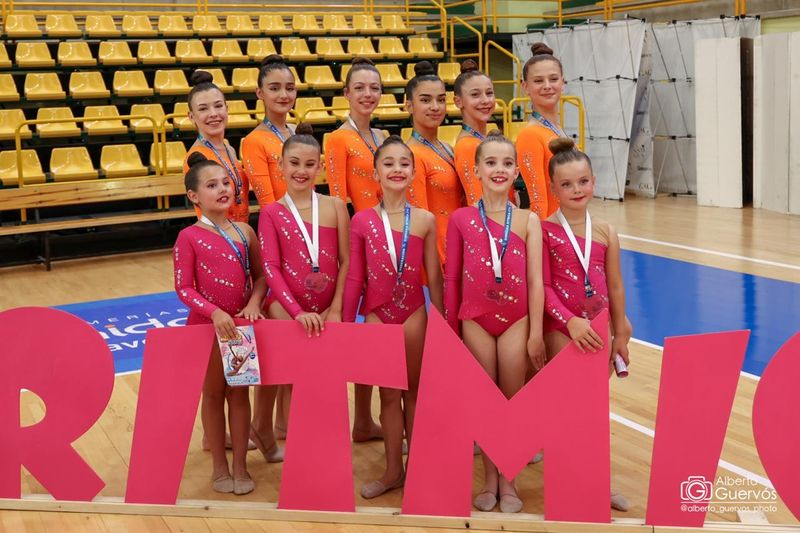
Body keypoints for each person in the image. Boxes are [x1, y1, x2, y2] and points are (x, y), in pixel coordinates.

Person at [444, 132, 545, 513]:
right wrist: (452, 330)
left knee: (511, 399)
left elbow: (536, 281)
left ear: (516, 171)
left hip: (517, 320)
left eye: (506, 163)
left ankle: (510, 480)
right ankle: (489, 479)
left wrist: (536, 332)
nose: (498, 170)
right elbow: (452, 278)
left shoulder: (528, 220)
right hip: (475, 319)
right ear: (476, 170)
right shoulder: (461, 219)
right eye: (491, 163)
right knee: (484, 400)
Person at [342, 136, 443, 499]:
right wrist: (345, 327)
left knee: (414, 393)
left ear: (414, 173)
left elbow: (435, 277)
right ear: (375, 173)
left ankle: (418, 467)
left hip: (414, 313)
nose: (397, 169)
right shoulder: (361, 221)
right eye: (388, 163)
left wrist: (444, 324)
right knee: (387, 395)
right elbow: (355, 278)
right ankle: (392, 471)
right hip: (376, 316)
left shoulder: (425, 220)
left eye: (404, 163)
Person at [540, 137, 632, 512]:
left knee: (593, 410)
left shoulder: (606, 230)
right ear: (553, 189)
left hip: (599, 329)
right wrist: (569, 322)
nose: (576, 190)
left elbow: (615, 285)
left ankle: (597, 481)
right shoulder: (544, 230)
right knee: (565, 410)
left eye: (582, 182)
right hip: (562, 330)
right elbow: (544, 288)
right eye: (566, 184)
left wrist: (620, 330)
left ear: (593, 181)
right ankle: (565, 481)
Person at [173, 153, 267, 495]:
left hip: (239, 325)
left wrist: (254, 303)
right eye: (212, 185)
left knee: (239, 393)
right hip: (206, 327)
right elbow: (183, 287)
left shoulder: (245, 231)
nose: (223, 189)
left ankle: (241, 465)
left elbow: (261, 277)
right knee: (213, 395)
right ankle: (219, 467)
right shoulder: (188, 236)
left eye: (226, 183)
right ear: (194, 196)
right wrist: (213, 312)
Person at [252, 123, 350, 448]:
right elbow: (271, 268)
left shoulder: (335, 206)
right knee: (291, 369)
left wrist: (335, 308)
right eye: (294, 163)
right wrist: (295, 312)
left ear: (320, 167)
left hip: (327, 306)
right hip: (286, 306)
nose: (301, 171)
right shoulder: (272, 213)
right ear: (280, 165)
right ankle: (281, 432)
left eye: (309, 164)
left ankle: (303, 430)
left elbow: (347, 261)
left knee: (323, 373)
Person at [405, 61, 464, 265]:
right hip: (438, 259)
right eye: (425, 100)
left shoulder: (447, 147)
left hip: (460, 247)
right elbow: (420, 223)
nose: (435, 107)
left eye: (441, 99)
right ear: (409, 105)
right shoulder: (411, 155)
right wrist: (437, 268)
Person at [183, 70, 249, 223]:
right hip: (219, 233)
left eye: (218, 106)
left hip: (242, 230)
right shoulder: (197, 157)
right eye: (203, 109)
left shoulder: (229, 149)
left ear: (227, 109)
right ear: (191, 117)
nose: (213, 114)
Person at [326, 57, 386, 213]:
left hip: (392, 221)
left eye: (374, 88)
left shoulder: (382, 136)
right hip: (363, 224)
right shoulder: (338, 138)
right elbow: (337, 200)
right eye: (359, 88)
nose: (368, 94)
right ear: (347, 93)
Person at [515, 42, 566, 219]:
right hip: (552, 228)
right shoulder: (530, 135)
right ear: (525, 87)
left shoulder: (557, 130)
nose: (547, 86)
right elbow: (538, 201)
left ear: (563, 83)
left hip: (570, 225)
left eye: (553, 79)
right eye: (538, 81)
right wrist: (543, 234)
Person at [453, 59, 511, 205]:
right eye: (475, 95)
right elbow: (478, 204)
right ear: (459, 101)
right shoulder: (468, 147)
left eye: (489, 93)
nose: (485, 100)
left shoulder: (480, 141)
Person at [241, 55, 296, 206]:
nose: (284, 95)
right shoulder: (253, 141)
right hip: (280, 218)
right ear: (260, 93)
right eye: (274, 89)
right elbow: (267, 203)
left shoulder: (296, 131)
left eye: (290, 88)